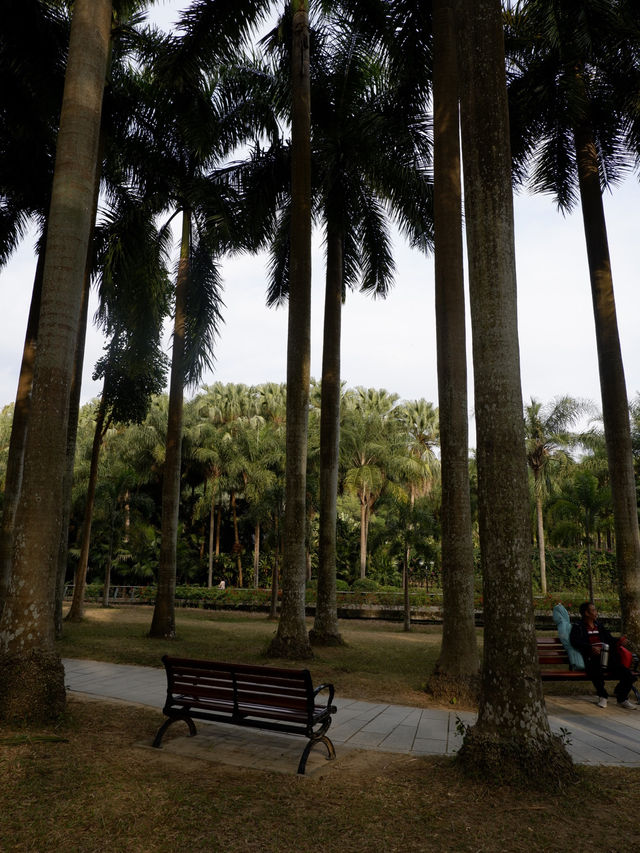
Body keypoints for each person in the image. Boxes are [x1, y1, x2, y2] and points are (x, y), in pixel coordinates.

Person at [570, 602, 637, 709]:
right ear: (586, 613)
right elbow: (575, 641)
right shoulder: (578, 627)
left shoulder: (599, 625)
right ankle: (603, 696)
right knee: (596, 672)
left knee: (629, 675)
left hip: (607, 657)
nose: (596, 612)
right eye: (594, 610)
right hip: (591, 658)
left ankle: (622, 698)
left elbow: (609, 639)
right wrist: (590, 647)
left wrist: (619, 640)